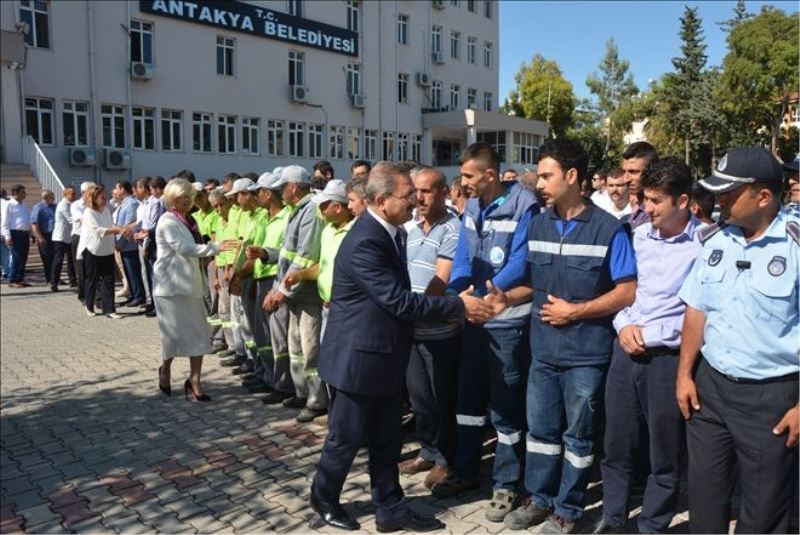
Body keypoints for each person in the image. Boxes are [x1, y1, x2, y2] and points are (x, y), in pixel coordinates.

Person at [309, 161, 493, 532]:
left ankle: (390, 509)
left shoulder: (393, 231)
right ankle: (324, 497)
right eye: (407, 195)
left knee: (386, 440)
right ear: (380, 201)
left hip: (385, 356)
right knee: (345, 440)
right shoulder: (365, 242)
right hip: (358, 359)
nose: (414, 201)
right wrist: (459, 305)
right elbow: (401, 302)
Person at [504, 138, 637, 534]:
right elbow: (532, 282)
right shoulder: (539, 222)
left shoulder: (608, 230)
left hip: (586, 355)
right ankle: (539, 499)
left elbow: (627, 290)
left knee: (577, 437)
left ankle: (568, 509)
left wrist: (576, 311)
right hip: (542, 350)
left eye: (547, 176)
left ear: (572, 176)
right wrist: (502, 299)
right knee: (541, 433)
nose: (539, 183)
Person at [676, 146, 799, 534]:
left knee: (763, 514)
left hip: (771, 400)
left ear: (763, 197)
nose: (718, 201)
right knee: (705, 502)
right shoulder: (716, 239)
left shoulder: (795, 246)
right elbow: (697, 310)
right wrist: (684, 375)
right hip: (710, 391)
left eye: (728, 194)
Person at [593, 157, 703, 534]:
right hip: (626, 354)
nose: (646, 208)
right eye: (645, 198)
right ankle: (612, 520)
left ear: (683, 201)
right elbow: (622, 293)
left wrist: (653, 333)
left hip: (669, 361)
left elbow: (701, 311)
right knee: (617, 445)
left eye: (656, 201)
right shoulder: (636, 237)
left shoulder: (706, 244)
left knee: (665, 455)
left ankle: (652, 525)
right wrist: (623, 326)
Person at [432, 143, 539, 525]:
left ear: (490, 175)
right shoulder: (472, 207)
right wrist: (454, 294)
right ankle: (465, 470)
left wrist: (478, 299)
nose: (463, 184)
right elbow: (463, 256)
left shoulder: (525, 205)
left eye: (469, 177)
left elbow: (521, 263)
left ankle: (506, 483)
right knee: (468, 402)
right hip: (472, 319)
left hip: (507, 322)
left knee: (507, 407)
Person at [398, 166, 461, 490]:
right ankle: (427, 450)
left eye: (426, 191)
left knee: (442, 399)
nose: (418, 198)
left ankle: (445, 460)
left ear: (443, 193)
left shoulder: (452, 228)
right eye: (414, 191)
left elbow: (442, 278)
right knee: (420, 399)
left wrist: (413, 307)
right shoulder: (409, 227)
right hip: (411, 328)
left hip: (438, 331)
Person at [153, 179, 238, 401]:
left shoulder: (190, 220)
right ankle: (165, 370)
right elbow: (183, 248)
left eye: (189, 197)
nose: (187, 201)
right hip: (170, 288)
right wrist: (216, 247)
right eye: (182, 197)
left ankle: (195, 381)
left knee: (199, 335)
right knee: (172, 337)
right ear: (172, 198)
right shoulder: (167, 221)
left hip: (191, 286)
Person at [264, 165, 327, 423]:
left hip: (307, 293)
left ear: (292, 187)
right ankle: (302, 392)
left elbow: (305, 256)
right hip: (294, 293)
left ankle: (317, 400)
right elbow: (288, 253)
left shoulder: (310, 210)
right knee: (296, 346)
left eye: (282, 187)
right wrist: (267, 255)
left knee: (311, 347)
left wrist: (281, 292)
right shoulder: (296, 210)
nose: (279, 192)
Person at [241, 172, 293, 396]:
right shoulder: (264, 217)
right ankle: (267, 376)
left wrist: (264, 253)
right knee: (262, 334)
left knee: (277, 336)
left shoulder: (288, 217)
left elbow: (289, 251)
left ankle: (282, 383)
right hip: (260, 276)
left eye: (257, 192)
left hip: (275, 278)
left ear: (268, 193)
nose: (255, 196)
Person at [77, 185, 126, 319]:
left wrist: (120, 229)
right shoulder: (88, 212)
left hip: (107, 249)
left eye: (105, 197)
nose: (105, 200)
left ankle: (109, 309)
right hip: (92, 249)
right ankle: (89, 305)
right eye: (102, 198)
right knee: (91, 279)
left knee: (108, 279)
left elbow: (110, 226)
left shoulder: (106, 211)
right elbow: (98, 230)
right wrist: (117, 230)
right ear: (94, 198)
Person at [112, 181, 145, 307]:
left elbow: (128, 227)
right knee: (128, 272)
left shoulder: (131, 204)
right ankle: (133, 295)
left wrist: (121, 242)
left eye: (117, 188)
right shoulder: (123, 203)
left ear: (123, 189)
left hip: (129, 244)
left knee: (133, 272)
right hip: (123, 245)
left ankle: (138, 296)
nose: (115, 191)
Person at [622, 142, 659, 230]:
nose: (626, 179)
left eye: (633, 172)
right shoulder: (630, 216)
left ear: (652, 171)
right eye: (624, 172)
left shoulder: (658, 215)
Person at [1, 184, 32, 288]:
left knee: (24, 257)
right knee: (16, 257)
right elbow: (5, 222)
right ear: (15, 193)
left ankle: (20, 279)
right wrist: (7, 236)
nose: (25, 194)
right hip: (15, 233)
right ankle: (12, 279)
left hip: (25, 233)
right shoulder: (9, 205)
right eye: (23, 192)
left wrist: (31, 233)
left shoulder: (23, 204)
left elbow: (26, 219)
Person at [71, 182, 95, 302]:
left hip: (93, 237)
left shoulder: (97, 205)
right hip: (80, 237)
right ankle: (83, 296)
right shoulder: (76, 205)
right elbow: (80, 219)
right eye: (92, 190)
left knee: (93, 268)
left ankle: (95, 296)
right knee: (81, 269)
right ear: (84, 192)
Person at [51, 186, 77, 291]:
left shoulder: (71, 204)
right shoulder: (63, 205)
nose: (74, 196)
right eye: (72, 194)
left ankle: (73, 280)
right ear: (65, 194)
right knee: (58, 260)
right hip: (60, 237)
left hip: (69, 237)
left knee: (71, 260)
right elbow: (71, 219)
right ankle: (54, 282)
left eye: (74, 194)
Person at [30, 189, 57, 286]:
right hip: (44, 235)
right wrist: (39, 237)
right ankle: (49, 279)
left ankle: (55, 278)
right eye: (52, 197)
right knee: (47, 258)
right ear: (46, 198)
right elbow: (34, 224)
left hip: (55, 236)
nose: (53, 199)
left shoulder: (55, 207)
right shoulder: (38, 207)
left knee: (56, 258)